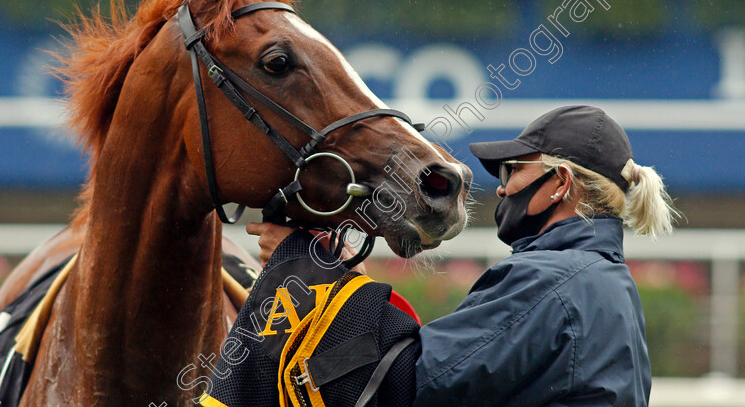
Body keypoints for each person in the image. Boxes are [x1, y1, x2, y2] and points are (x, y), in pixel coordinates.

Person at [249, 105, 678, 407]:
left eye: (513, 171)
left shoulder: (550, 280)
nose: (504, 188)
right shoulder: (606, 280)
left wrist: (328, 279)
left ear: (560, 183)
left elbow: (408, 385)